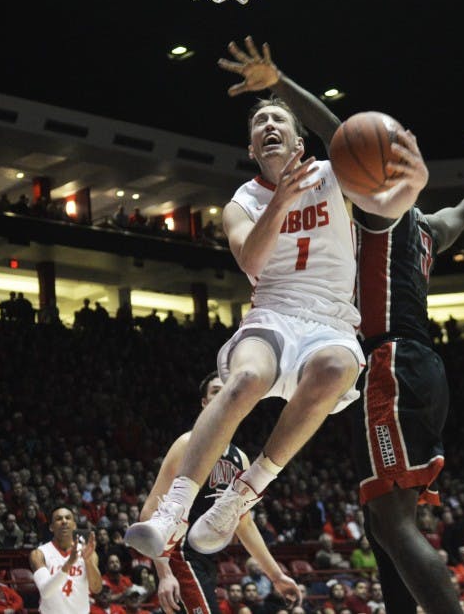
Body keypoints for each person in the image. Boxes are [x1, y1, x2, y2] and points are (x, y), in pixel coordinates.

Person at [216, 36, 464, 614]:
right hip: (422, 367)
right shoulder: (429, 226)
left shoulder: (372, 215)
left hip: (387, 363)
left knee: (391, 521)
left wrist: (280, 83)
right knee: (382, 522)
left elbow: (339, 134)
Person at [127, 38, 422, 563]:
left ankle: (242, 495)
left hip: (331, 319)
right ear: (251, 150)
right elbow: (253, 263)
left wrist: (279, 85)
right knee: (246, 378)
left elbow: (349, 139)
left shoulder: (336, 175)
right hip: (273, 312)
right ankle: (174, 511)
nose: (267, 126)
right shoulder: (242, 201)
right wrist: (281, 199)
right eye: (257, 124)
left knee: (336, 367)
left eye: (276, 121)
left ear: (298, 139)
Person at [132, 372, 299, 614]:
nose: (224, 395)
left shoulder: (239, 457)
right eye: (215, 391)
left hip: (207, 561)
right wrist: (165, 573)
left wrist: (276, 576)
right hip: (179, 556)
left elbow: (244, 524)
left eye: (228, 390)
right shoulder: (186, 444)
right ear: (205, 403)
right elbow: (150, 511)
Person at [29, 508, 101, 614]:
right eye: (59, 519)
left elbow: (96, 588)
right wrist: (69, 563)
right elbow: (45, 591)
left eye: (68, 518)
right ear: (51, 527)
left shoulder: (87, 552)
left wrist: (88, 561)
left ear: (74, 525)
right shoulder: (39, 554)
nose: (64, 521)